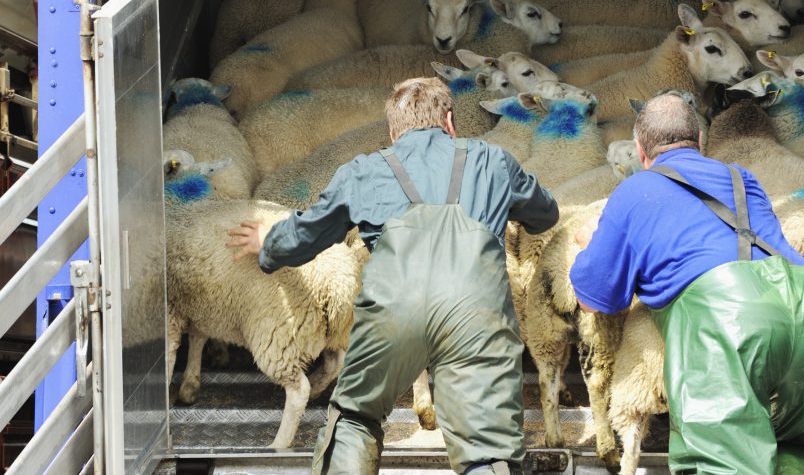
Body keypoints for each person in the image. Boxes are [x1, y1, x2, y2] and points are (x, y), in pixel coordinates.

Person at [226, 77, 559, 475]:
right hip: (477, 315)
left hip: (394, 311)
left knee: (355, 418)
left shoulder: (364, 172)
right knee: (487, 450)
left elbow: (309, 233)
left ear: (392, 132)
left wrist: (268, 242)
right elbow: (546, 213)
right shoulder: (493, 161)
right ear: (450, 122)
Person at [569, 93, 804, 475]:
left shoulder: (634, 190)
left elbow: (594, 298)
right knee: (785, 454)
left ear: (641, 152)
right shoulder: (742, 178)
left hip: (730, 321)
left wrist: (586, 244)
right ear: (699, 140)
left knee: (721, 464)